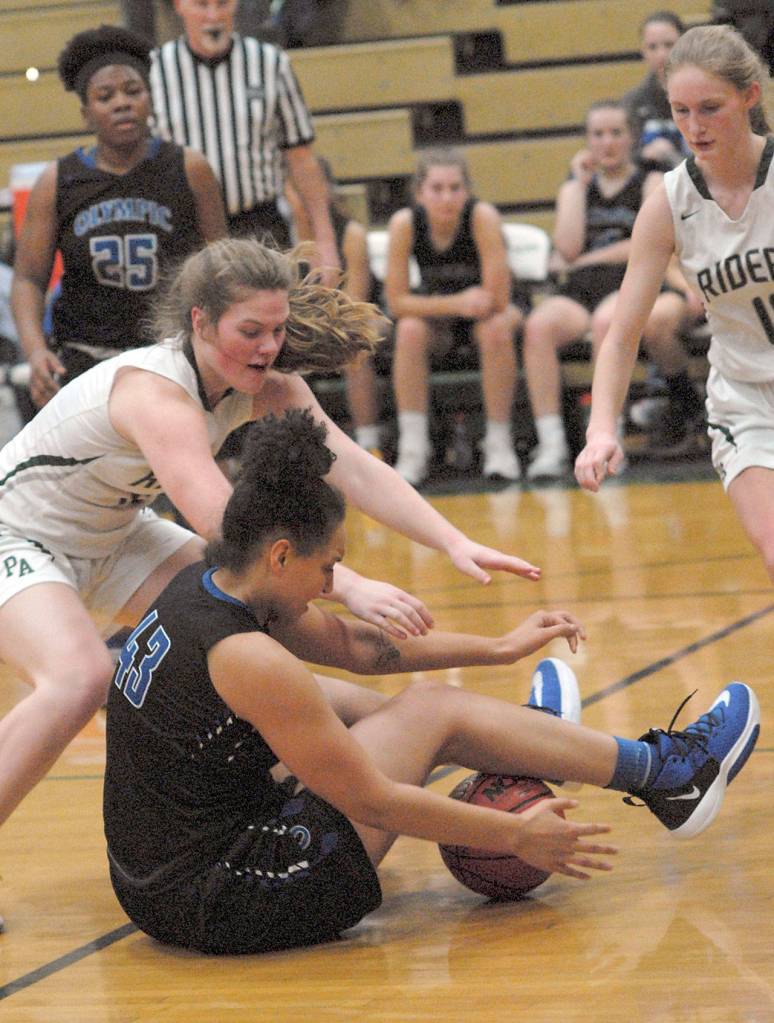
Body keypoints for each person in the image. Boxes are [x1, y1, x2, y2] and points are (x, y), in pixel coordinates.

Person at [0, 239, 542, 904]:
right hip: (18, 530)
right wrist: (350, 583)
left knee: (271, 621)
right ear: (199, 322)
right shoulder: (156, 393)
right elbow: (224, 527)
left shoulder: (271, 387)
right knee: (80, 675)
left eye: (276, 330)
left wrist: (453, 540)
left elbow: (353, 465)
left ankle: (487, 741)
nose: (265, 347)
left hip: (113, 531)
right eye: (248, 331)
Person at [102, 407, 760, 955]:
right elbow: (376, 802)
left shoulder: (206, 584)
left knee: (359, 702)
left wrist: (499, 648)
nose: (332, 586)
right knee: (427, 712)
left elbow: (354, 644)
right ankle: (666, 773)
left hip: (156, 880)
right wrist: (513, 834)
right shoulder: (248, 656)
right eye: (328, 568)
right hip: (228, 896)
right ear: (280, 554)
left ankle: (528, 739)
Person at [575, 27, 774, 576]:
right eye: (681, 110)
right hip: (745, 398)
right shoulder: (669, 202)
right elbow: (621, 333)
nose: (694, 126)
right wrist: (601, 431)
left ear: (749, 96)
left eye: (710, 108)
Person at [10, 25, 227, 409]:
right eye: (105, 96)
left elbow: (220, 264)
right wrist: (35, 350)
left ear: (150, 99)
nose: (121, 103)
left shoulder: (189, 168)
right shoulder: (58, 180)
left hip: (171, 353)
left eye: (133, 91)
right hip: (85, 356)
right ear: (86, 113)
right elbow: (28, 278)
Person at [522, 99, 703, 481]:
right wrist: (575, 186)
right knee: (538, 326)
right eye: (598, 134)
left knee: (609, 321)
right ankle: (552, 443)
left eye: (616, 133)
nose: (607, 143)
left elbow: (644, 241)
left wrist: (586, 259)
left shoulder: (651, 180)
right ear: (586, 141)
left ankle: (609, 438)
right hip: (582, 289)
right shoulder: (577, 187)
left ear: (632, 138)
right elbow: (568, 247)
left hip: (630, 280)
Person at [149, 0, 339, 275]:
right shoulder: (155, 70)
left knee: (272, 315)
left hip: (258, 224)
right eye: (202, 5)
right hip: (185, 228)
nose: (213, 16)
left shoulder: (270, 63)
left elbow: (301, 158)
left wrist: (324, 240)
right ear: (179, 5)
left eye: (222, 3)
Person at [385, 148, 523, 486]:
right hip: (445, 314)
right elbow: (396, 303)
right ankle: (413, 449)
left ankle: (499, 443)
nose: (447, 197)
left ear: (468, 191)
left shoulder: (482, 217)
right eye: (436, 188)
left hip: (491, 314)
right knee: (409, 331)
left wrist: (465, 305)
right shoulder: (404, 224)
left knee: (495, 329)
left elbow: (499, 298)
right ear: (419, 194)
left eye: (455, 187)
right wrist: (457, 303)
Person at [289, 157, 384, 454]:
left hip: (349, 316)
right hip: (304, 321)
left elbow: (354, 302)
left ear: (327, 191)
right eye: (294, 188)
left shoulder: (350, 233)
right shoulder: (281, 234)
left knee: (354, 338)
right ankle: (293, 443)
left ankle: (368, 439)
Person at [623, 10, 690, 170]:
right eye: (652, 47)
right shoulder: (633, 102)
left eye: (669, 45)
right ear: (643, 52)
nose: (662, 54)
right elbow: (622, 157)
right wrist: (643, 154)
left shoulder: (705, 95)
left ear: (685, 46)